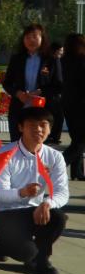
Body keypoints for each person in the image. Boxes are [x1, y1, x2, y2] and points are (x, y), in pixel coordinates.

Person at [0, 106, 68, 274]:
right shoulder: (4, 154)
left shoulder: (54, 157)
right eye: (32, 125)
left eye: (43, 125)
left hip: (34, 212)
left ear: (50, 129)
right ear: (20, 127)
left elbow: (62, 192)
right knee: (26, 252)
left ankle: (41, 260)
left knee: (58, 218)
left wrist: (47, 203)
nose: (38, 129)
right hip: (6, 214)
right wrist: (21, 192)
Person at [3, 24, 62, 143]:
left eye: (35, 36)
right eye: (27, 37)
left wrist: (40, 92)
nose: (31, 40)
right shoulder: (17, 59)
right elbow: (7, 83)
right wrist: (18, 93)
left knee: (39, 146)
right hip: (19, 107)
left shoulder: (51, 59)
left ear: (42, 38)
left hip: (43, 109)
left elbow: (59, 86)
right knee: (17, 144)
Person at [61, 33, 85, 179]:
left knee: (77, 139)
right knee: (81, 141)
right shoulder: (82, 61)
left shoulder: (63, 61)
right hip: (81, 105)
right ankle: (58, 164)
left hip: (68, 105)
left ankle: (77, 172)